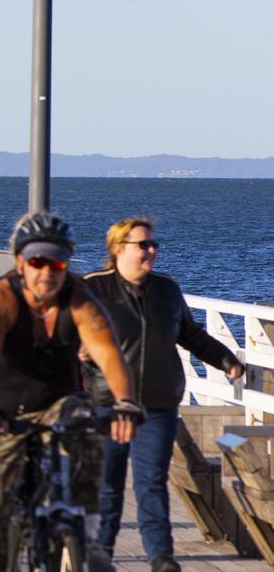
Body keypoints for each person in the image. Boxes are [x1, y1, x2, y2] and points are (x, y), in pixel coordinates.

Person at [0, 211, 143, 572]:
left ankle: (86, 539)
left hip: (59, 402)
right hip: (2, 409)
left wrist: (126, 401)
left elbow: (108, 352)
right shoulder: (0, 297)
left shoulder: (78, 297)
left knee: (87, 438)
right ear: (20, 263)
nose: (48, 271)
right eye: (38, 261)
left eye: (57, 261)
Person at [83, 218, 244, 572]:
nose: (151, 251)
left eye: (153, 245)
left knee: (151, 483)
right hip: (106, 405)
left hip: (157, 403)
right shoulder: (93, 288)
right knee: (106, 487)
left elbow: (189, 333)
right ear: (118, 249)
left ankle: (160, 557)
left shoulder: (166, 289)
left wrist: (225, 359)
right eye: (143, 245)